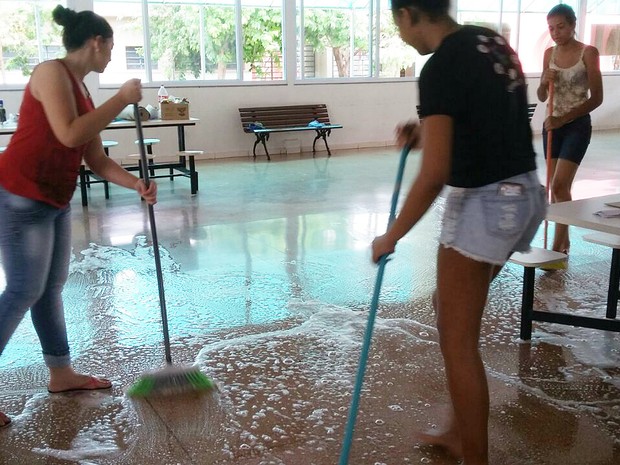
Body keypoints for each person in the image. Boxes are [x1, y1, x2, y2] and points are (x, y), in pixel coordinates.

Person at [372, 1, 546, 464]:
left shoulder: (440, 66)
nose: (401, 33)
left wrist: (392, 235)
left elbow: (434, 176)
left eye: (397, 22)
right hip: (524, 193)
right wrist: (427, 130)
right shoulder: (489, 41)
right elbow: (486, 121)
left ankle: (473, 456)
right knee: (448, 309)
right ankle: (456, 428)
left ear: (408, 13)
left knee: (457, 338)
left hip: (485, 203)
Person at [0, 5, 157, 429]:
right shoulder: (50, 73)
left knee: (50, 288)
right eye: (111, 47)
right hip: (20, 194)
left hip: (53, 198)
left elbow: (96, 160)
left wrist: (136, 184)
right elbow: (68, 132)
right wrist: (121, 100)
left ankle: (61, 373)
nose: (111, 56)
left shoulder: (83, 93)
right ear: (97, 42)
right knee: (22, 291)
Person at [537, 4, 603, 255]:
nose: (555, 33)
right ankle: (563, 243)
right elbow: (542, 97)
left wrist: (563, 119)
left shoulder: (589, 53)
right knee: (556, 188)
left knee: (561, 184)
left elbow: (596, 98)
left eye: (561, 27)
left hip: (575, 125)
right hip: (551, 125)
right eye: (551, 28)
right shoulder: (548, 54)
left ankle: (557, 247)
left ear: (573, 25)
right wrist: (544, 81)